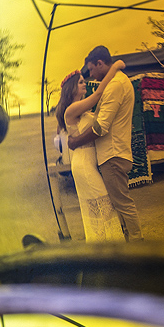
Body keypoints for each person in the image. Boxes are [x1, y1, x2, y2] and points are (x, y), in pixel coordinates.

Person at [68, 45, 142, 240]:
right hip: (112, 153)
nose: (90, 76)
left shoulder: (116, 85)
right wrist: (117, 66)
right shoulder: (116, 82)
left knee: (122, 203)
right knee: (118, 203)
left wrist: (75, 142)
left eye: (91, 70)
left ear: (100, 63)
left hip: (113, 154)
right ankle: (130, 240)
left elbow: (100, 128)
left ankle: (136, 242)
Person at [54, 63, 126, 241]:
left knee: (99, 207)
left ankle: (105, 247)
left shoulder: (82, 109)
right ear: (72, 88)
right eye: (80, 82)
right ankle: (109, 247)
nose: (84, 84)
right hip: (84, 165)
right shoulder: (71, 109)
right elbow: (98, 94)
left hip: (88, 162)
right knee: (103, 206)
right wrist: (114, 67)